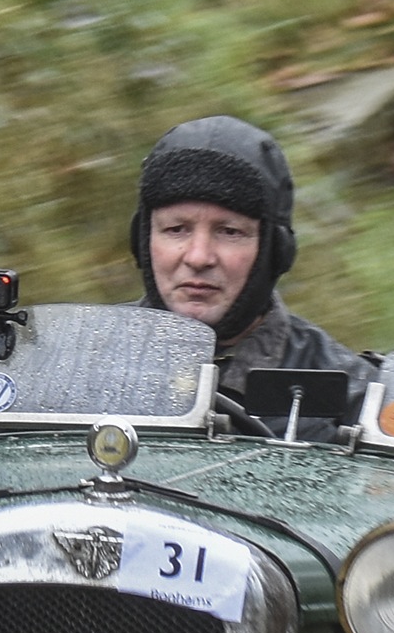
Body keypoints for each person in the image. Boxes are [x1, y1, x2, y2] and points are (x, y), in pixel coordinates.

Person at [130, 115, 380, 439]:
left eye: (229, 232)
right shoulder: (84, 363)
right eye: (176, 229)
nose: (198, 257)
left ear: (275, 251)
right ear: (142, 240)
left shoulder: (354, 399)